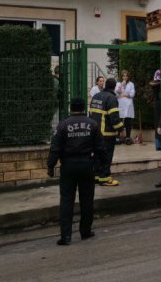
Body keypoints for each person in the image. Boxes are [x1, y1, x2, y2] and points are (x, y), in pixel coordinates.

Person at [47, 97, 109, 245]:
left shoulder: (63, 125)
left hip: (68, 166)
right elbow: (101, 148)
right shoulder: (92, 124)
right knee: (87, 200)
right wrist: (102, 166)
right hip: (87, 165)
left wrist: (50, 165)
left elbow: (55, 148)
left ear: (71, 108)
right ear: (83, 108)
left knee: (67, 201)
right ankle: (85, 231)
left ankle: (66, 236)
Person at [89, 78, 123, 186]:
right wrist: (121, 129)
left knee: (96, 156)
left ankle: (96, 176)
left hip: (95, 133)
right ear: (114, 87)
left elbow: (91, 114)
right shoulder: (111, 98)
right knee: (106, 156)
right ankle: (105, 178)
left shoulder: (96, 96)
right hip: (106, 134)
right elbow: (114, 117)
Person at [116, 70, 136, 145]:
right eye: (123, 76)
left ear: (128, 76)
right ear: (121, 77)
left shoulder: (131, 84)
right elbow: (116, 92)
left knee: (128, 121)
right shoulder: (118, 83)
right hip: (120, 104)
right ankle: (118, 137)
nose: (125, 77)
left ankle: (127, 137)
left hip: (128, 105)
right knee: (119, 121)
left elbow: (132, 94)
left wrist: (124, 95)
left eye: (126, 76)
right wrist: (122, 85)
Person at [149, 69, 161, 151]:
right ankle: (159, 144)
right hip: (159, 104)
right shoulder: (158, 84)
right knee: (160, 123)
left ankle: (158, 144)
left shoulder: (154, 84)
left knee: (157, 123)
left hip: (157, 105)